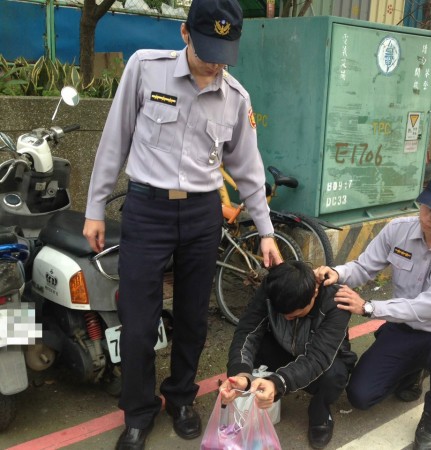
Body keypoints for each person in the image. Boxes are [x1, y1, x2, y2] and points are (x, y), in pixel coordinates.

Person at [82, 0, 282, 448]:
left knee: (193, 316)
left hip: (201, 214)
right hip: (146, 209)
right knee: (137, 318)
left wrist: (267, 232)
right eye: (206, 50)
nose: (214, 64)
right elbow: (114, 141)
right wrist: (95, 208)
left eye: (223, 54)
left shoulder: (235, 97)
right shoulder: (144, 70)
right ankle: (138, 411)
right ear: (184, 34)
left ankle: (181, 398)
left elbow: (249, 169)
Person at [315, 169, 431, 450]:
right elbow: (363, 266)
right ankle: (414, 369)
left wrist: (369, 307)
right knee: (360, 396)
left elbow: (427, 306)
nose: (426, 217)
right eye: (426, 206)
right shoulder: (398, 230)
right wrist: (337, 272)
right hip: (402, 329)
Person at [219, 261, 357, 449]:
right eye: (281, 314)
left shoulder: (337, 301)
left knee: (335, 375)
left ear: (314, 293)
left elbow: (317, 358)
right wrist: (241, 375)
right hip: (283, 349)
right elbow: (247, 332)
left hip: (321, 359)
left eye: (294, 315)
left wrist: (277, 383)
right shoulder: (271, 287)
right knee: (251, 350)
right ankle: (260, 388)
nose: (286, 318)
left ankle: (320, 414)